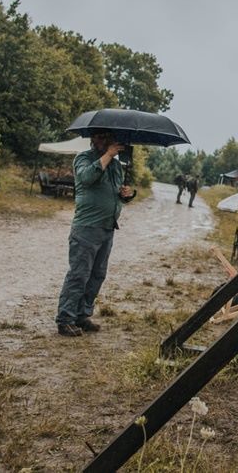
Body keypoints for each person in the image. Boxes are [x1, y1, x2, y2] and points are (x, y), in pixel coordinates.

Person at [55, 130, 136, 336]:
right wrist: (108, 155)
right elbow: (86, 178)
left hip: (107, 227)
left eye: (105, 137)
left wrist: (126, 195)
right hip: (86, 227)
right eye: (97, 137)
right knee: (79, 274)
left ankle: (82, 315)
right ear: (92, 139)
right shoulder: (84, 158)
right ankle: (65, 318)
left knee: (97, 275)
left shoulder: (116, 166)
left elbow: (116, 193)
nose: (101, 141)